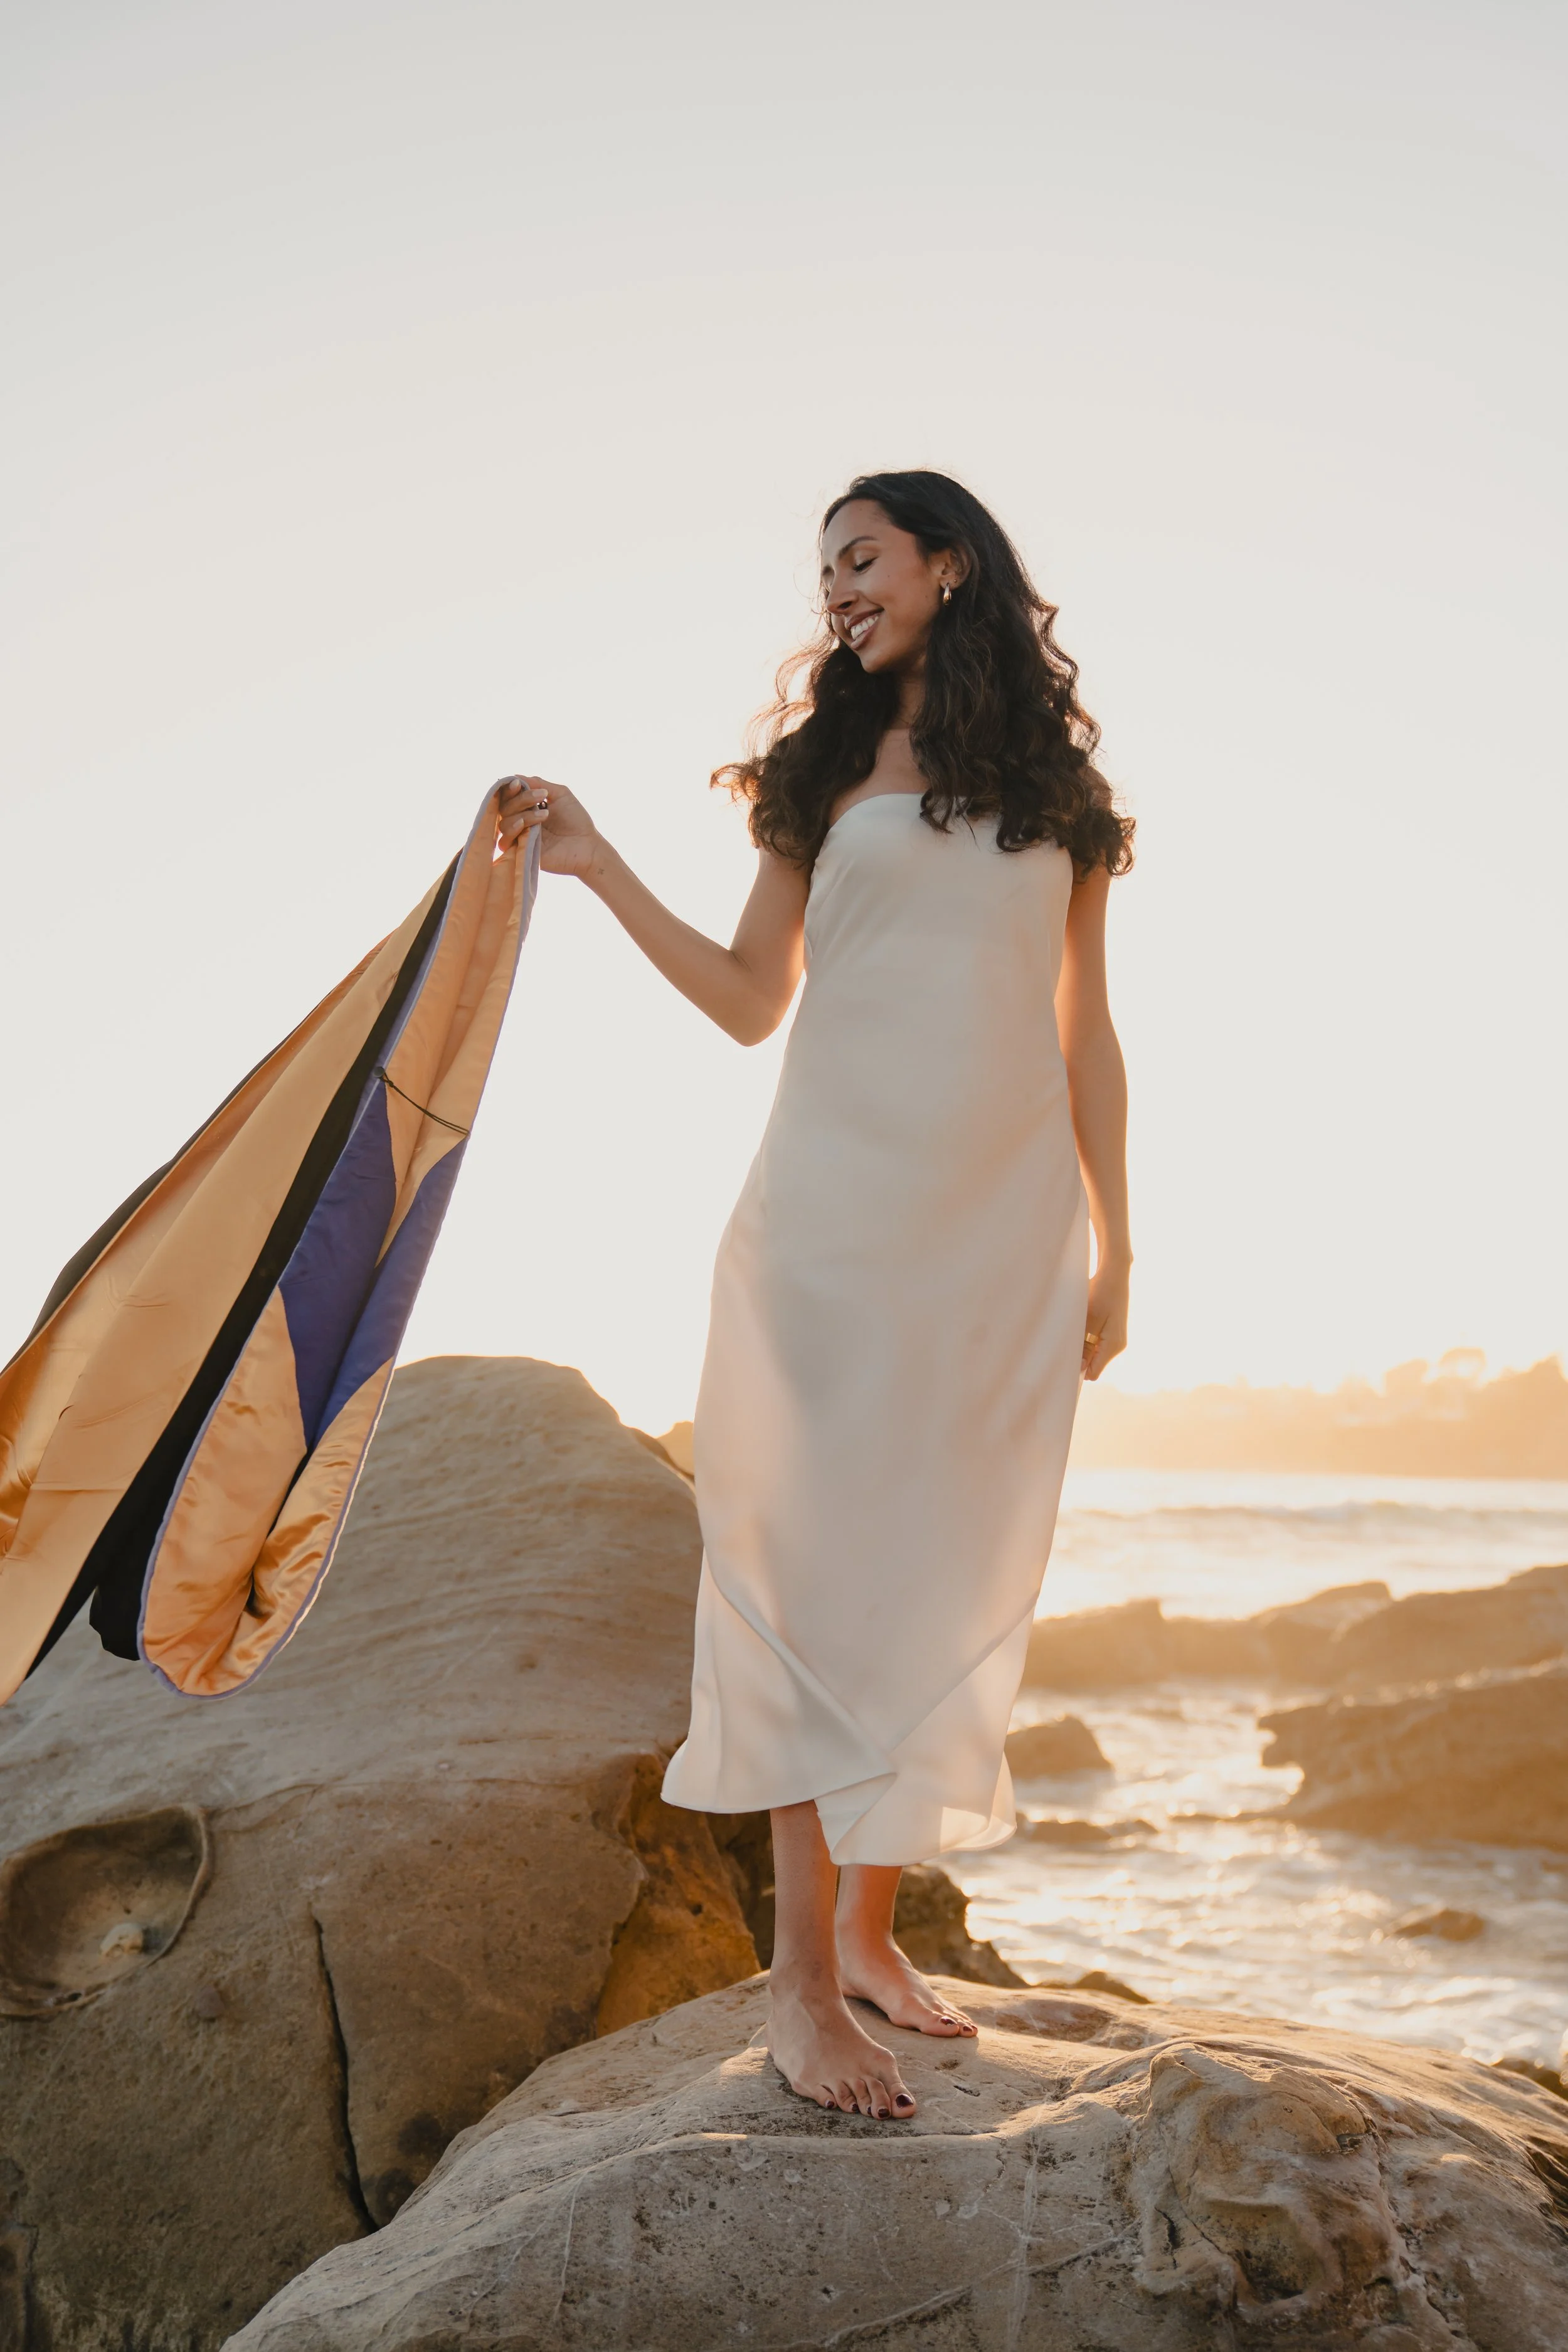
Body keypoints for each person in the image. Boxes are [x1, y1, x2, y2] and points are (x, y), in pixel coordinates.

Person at [497, 470, 1133, 2126]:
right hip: (828, 1223)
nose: (836, 588)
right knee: (803, 1566)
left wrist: (1116, 1241)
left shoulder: (1060, 796)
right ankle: (791, 1979)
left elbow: (1086, 1037)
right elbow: (743, 999)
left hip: (994, 1233)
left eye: (860, 557)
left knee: (939, 1562)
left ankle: (864, 1931)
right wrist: (595, 861)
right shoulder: (820, 769)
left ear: (945, 563)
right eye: (824, 568)